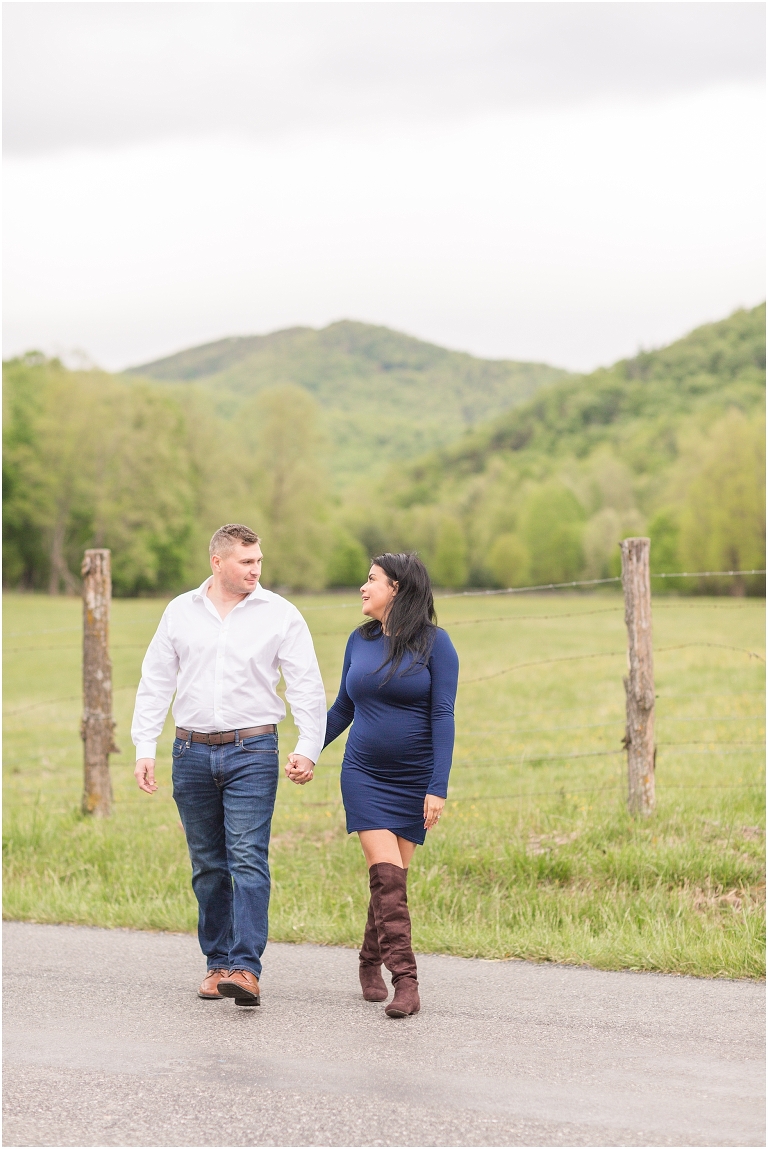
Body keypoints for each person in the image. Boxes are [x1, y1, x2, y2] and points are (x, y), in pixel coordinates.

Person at [131, 523, 325, 1007]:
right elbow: (155, 682)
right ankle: (217, 964)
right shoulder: (180, 611)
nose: (256, 569)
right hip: (189, 752)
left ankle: (245, 968)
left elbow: (305, 684)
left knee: (246, 858)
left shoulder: (280, 614)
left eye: (258, 560)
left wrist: (309, 745)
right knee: (208, 866)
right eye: (246, 561)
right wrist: (143, 747)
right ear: (217, 562)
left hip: (253, 751)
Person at [297, 552, 459, 1019]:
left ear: (398, 589)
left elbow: (442, 715)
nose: (363, 588)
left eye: (372, 580)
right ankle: (405, 982)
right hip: (364, 774)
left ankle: (370, 959)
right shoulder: (359, 641)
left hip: (414, 779)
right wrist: (309, 750)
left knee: (390, 883)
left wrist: (437, 786)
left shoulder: (435, 644)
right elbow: (343, 707)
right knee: (387, 875)